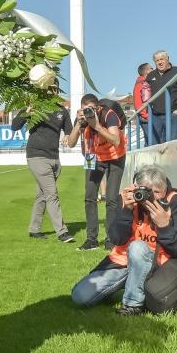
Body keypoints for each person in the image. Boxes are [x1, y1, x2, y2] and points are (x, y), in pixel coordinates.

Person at [69, 165, 177, 316]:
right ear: (137, 188)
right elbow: (116, 239)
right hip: (123, 262)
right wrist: (127, 211)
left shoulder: (173, 200)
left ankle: (132, 305)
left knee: (137, 247)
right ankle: (131, 282)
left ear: (165, 190)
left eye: (157, 192)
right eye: (146, 191)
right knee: (80, 297)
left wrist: (164, 226)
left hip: (155, 263)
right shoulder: (126, 198)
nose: (151, 197)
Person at [64, 93, 125, 251]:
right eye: (84, 110)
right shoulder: (82, 120)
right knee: (89, 197)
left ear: (98, 108)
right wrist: (78, 124)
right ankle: (91, 239)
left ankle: (110, 239)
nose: (88, 113)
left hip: (115, 157)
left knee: (111, 199)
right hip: (94, 157)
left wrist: (97, 126)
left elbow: (116, 140)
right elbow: (70, 144)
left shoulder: (108, 115)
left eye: (90, 109)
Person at [15, 98, 73, 242]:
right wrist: (25, 113)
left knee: (42, 195)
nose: (50, 92)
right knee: (52, 194)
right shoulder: (33, 106)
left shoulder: (62, 110)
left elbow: (69, 130)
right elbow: (15, 126)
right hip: (36, 156)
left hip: (54, 158)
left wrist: (67, 135)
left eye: (53, 88)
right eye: (48, 88)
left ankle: (34, 229)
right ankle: (62, 232)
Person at [145, 50, 177, 144]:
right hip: (155, 116)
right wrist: (148, 110)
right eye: (157, 60)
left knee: (173, 144)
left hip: (173, 114)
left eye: (162, 59)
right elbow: (145, 93)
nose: (159, 62)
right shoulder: (151, 75)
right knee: (153, 144)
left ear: (167, 59)